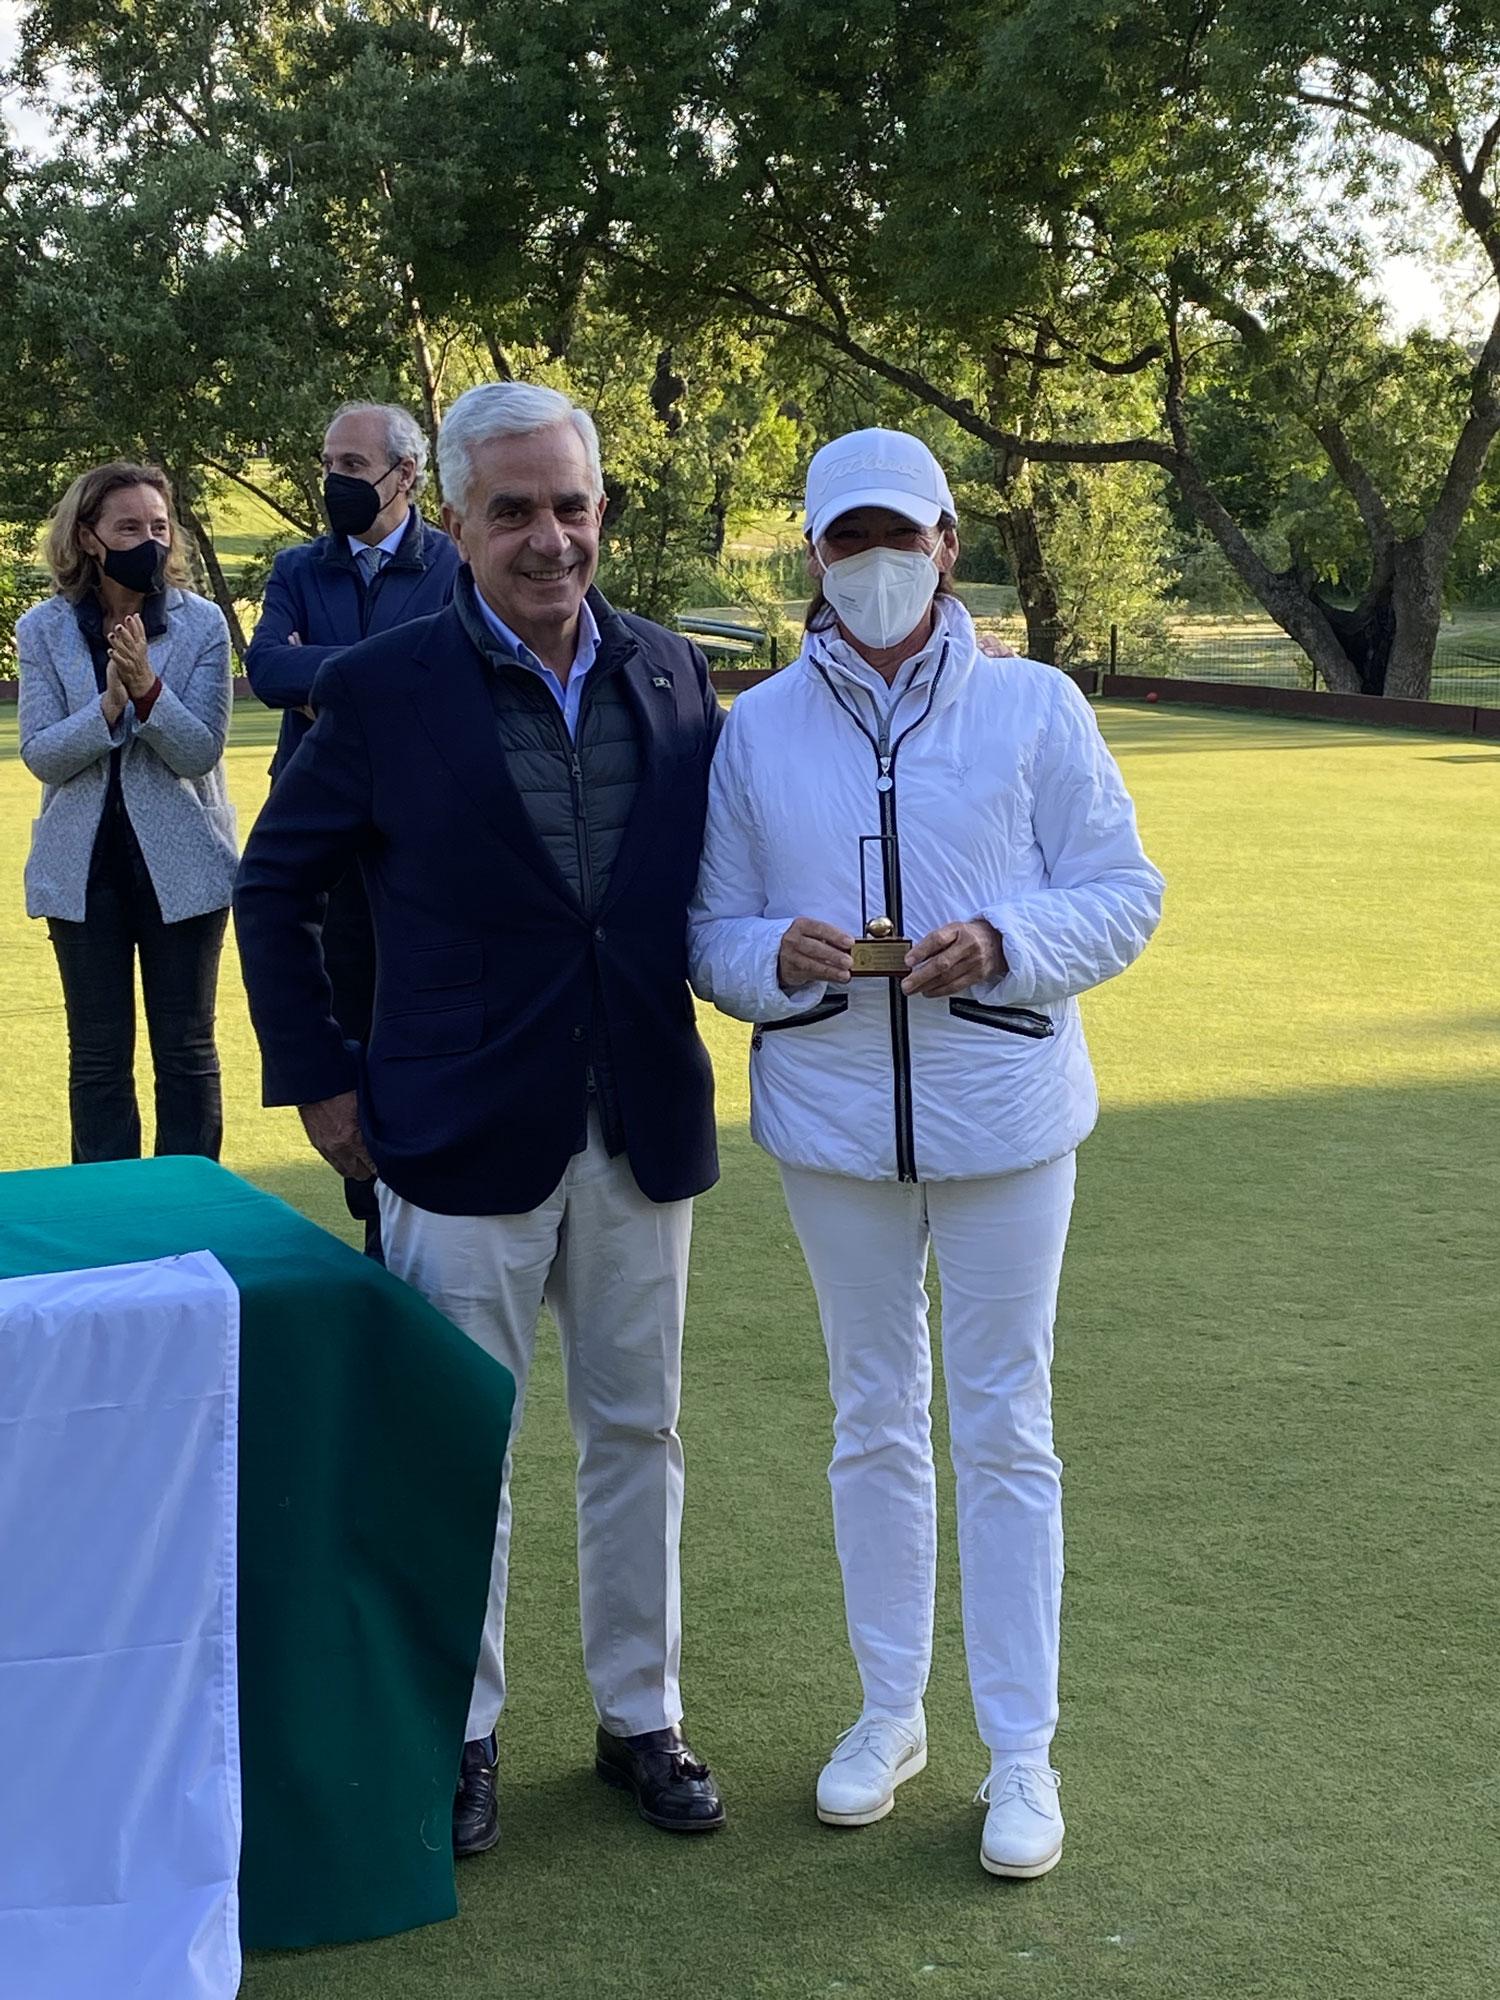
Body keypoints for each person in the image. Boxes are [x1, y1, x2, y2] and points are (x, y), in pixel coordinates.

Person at [234, 381, 727, 1858]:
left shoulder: (672, 670)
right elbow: (275, 886)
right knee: (462, 1442)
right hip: (448, 1133)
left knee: (639, 1428)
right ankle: (460, 1730)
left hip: (639, 1125)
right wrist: (323, 1084)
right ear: (452, 517)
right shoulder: (382, 687)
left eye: (570, 505)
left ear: (599, 509)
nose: (550, 537)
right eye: (512, 509)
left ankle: (641, 1715)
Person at [688, 428, 1164, 1880]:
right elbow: (709, 933)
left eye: (901, 535)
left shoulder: (1036, 708)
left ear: (950, 543)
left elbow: (1124, 894)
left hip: (1008, 1117)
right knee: (871, 1416)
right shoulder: (757, 728)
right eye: (847, 540)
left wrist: (1007, 945)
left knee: (1006, 1423)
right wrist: (784, 953)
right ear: (815, 557)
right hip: (833, 1124)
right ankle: (890, 1711)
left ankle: (1023, 1749)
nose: (876, 563)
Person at [245, 401, 461, 1258]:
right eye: (327, 460)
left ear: (406, 475)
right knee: (344, 1018)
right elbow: (265, 669)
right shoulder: (299, 568)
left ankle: (414, 1216)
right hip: (323, 832)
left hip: (425, 831)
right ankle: (372, 1206)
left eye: (350, 463)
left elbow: (455, 672)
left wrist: (325, 673)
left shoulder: (454, 566)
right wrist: (389, 675)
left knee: (415, 1011)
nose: (333, 479)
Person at [18, 462, 237, 1164]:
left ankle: (193, 1211)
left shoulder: (202, 625)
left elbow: (199, 750)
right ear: (87, 536)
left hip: (184, 874)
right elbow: (43, 755)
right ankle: (110, 1221)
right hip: (82, 877)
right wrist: (109, 705)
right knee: (98, 1059)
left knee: (186, 1052)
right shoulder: (45, 629)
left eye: (159, 526)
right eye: (128, 527)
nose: (148, 538)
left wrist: (146, 691)